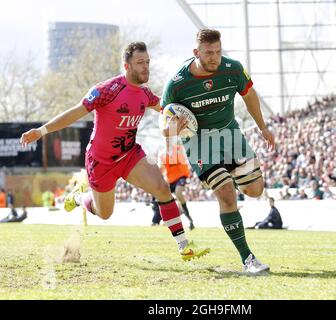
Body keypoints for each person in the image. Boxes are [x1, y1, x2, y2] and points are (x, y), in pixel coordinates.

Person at [20, 41, 209, 262]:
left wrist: (179, 123)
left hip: (130, 155)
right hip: (100, 162)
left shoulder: (145, 94)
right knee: (105, 213)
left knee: (162, 188)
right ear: (126, 66)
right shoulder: (106, 90)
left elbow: (167, 111)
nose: (145, 67)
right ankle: (79, 197)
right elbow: (75, 112)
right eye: (140, 63)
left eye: (147, 62)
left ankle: (184, 246)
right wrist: (42, 131)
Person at [161, 29, 275, 273]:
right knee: (226, 194)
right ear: (196, 52)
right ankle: (248, 259)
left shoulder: (232, 69)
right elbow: (166, 127)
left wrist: (263, 128)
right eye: (208, 53)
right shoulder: (177, 83)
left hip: (230, 134)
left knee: (255, 190)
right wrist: (172, 128)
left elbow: (249, 94)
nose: (214, 58)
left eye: (218, 52)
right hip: (200, 142)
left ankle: (232, 178)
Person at [159, 139, 195, 230]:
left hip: (181, 176)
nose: (167, 141)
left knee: (178, 192)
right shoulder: (162, 154)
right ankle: (172, 217)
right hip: (170, 180)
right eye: (166, 140)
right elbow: (161, 168)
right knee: (162, 197)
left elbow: (185, 156)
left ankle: (188, 218)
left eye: (169, 139)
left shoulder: (179, 149)